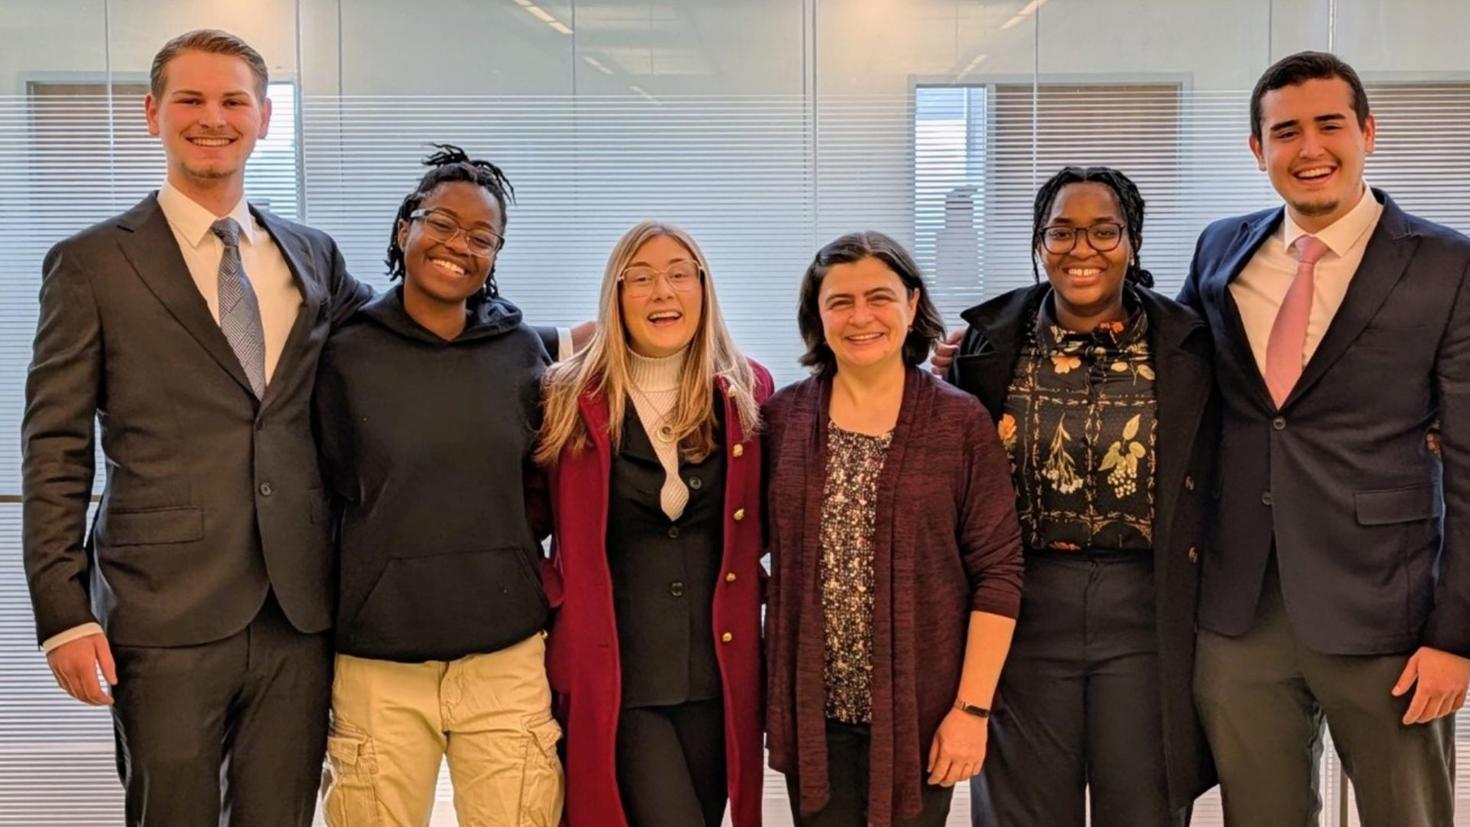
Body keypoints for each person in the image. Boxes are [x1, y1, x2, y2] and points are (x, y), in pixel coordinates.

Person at [21, 29, 371, 825]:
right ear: (152, 113)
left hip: (297, 610)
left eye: (232, 101)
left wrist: (558, 344)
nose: (211, 118)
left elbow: (397, 344)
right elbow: (55, 448)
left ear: (263, 119)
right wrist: (63, 613)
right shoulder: (92, 264)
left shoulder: (312, 256)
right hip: (161, 613)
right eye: (190, 99)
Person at [1178, 51, 1470, 826]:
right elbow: (1161, 370)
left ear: (1368, 132)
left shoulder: (1448, 265)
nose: (1310, 148)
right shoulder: (1219, 249)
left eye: (1329, 125)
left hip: (1388, 611)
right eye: (1286, 131)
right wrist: (985, 348)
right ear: (1257, 149)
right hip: (1241, 611)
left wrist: (1457, 635)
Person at [947, 166, 1216, 826]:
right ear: (1039, 243)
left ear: (1133, 242)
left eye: (1104, 231)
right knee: (1022, 812)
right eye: (1061, 232)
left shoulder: (1193, 346)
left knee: (1145, 807)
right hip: (1023, 608)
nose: (1082, 249)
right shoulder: (987, 347)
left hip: (1148, 607)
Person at [312, 145, 563, 825]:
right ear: (405, 229)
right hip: (380, 666)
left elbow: (542, 482)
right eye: (442, 223)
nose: (460, 246)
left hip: (504, 659)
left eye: (482, 237)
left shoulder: (521, 352)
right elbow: (322, 490)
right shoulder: (344, 354)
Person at [764, 231, 1024, 827]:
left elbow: (999, 571)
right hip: (813, 714)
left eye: (879, 297)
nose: (862, 318)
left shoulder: (959, 422)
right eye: (840, 302)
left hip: (922, 715)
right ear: (818, 316)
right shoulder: (782, 417)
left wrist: (972, 710)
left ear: (911, 306)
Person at [537, 221, 771, 827]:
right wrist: (555, 600)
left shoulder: (747, 392)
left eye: (677, 275)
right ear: (615, 297)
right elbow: (519, 518)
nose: (661, 292)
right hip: (618, 678)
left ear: (703, 288)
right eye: (639, 278)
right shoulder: (567, 397)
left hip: (718, 681)